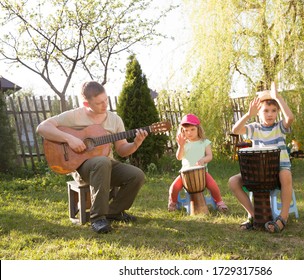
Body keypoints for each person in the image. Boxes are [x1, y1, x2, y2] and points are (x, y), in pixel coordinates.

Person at [36, 81, 148, 234]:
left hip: (108, 164)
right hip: (82, 167)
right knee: (102, 162)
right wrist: (70, 139)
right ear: (85, 103)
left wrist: (135, 143)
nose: (104, 105)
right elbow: (42, 128)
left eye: (106, 100)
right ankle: (97, 218)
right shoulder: (74, 116)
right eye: (99, 103)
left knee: (137, 175)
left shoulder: (115, 120)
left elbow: (122, 150)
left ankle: (113, 212)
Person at [228, 81, 294, 232]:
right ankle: (254, 215)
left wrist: (279, 98)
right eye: (265, 111)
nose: (270, 114)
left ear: (277, 112)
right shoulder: (254, 128)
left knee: (285, 175)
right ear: (258, 113)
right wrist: (248, 114)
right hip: (259, 172)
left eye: (273, 110)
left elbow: (290, 118)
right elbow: (235, 129)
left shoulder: (279, 128)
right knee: (233, 182)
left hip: (278, 169)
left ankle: (283, 217)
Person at [168, 114, 228, 212]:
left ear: (198, 129)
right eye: (186, 130)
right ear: (182, 131)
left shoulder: (204, 142)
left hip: (202, 174)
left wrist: (203, 160)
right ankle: (173, 203)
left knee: (213, 185)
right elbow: (179, 157)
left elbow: (209, 156)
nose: (189, 133)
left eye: (192, 129)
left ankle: (219, 202)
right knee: (173, 187)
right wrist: (181, 146)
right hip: (185, 175)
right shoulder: (184, 144)